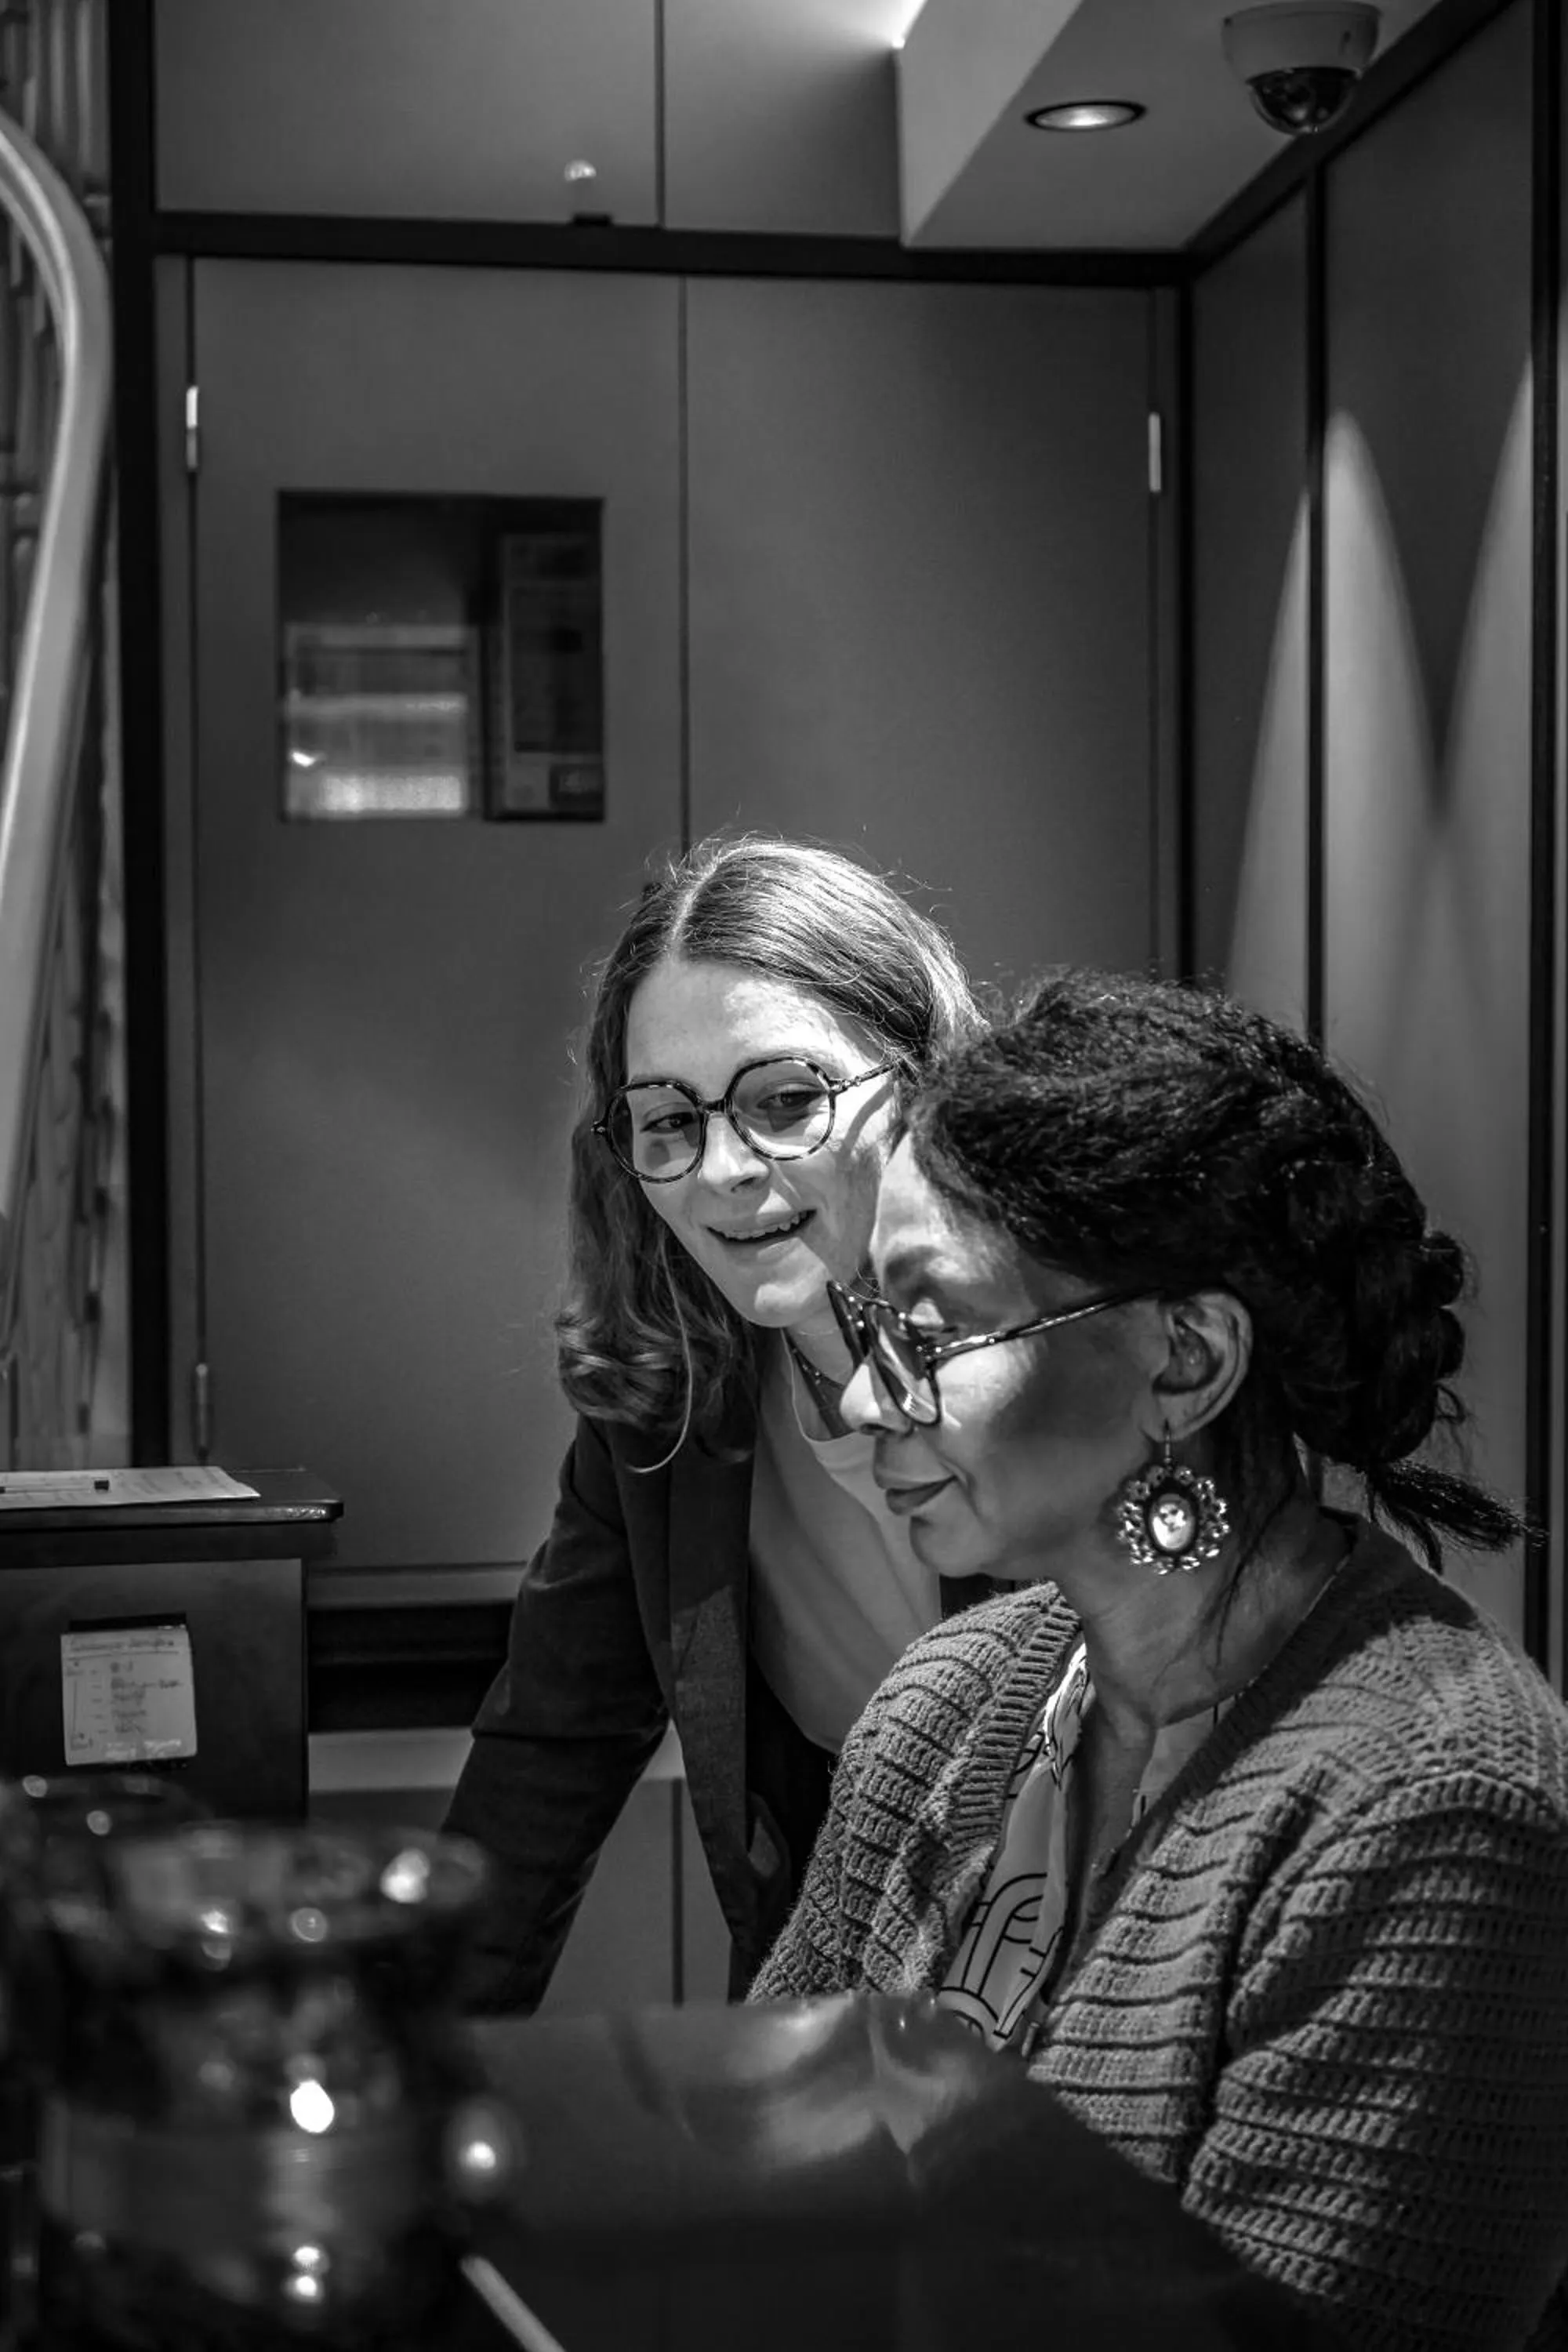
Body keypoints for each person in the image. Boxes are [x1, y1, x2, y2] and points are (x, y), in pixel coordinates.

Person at [750, 969, 1568, 2352]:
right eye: (871, 1327)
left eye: (929, 1333)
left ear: (1185, 1360)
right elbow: (754, 2192)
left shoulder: (1439, 1809)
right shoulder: (946, 1702)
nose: (866, 1395)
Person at [444, 833, 983, 2011]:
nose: (724, 1169)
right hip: (841, 1988)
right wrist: (408, 2062)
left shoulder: (1061, 1361)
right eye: (669, 1122)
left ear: (925, 1081)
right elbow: (552, 1748)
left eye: (786, 1102)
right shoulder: (669, 1396)